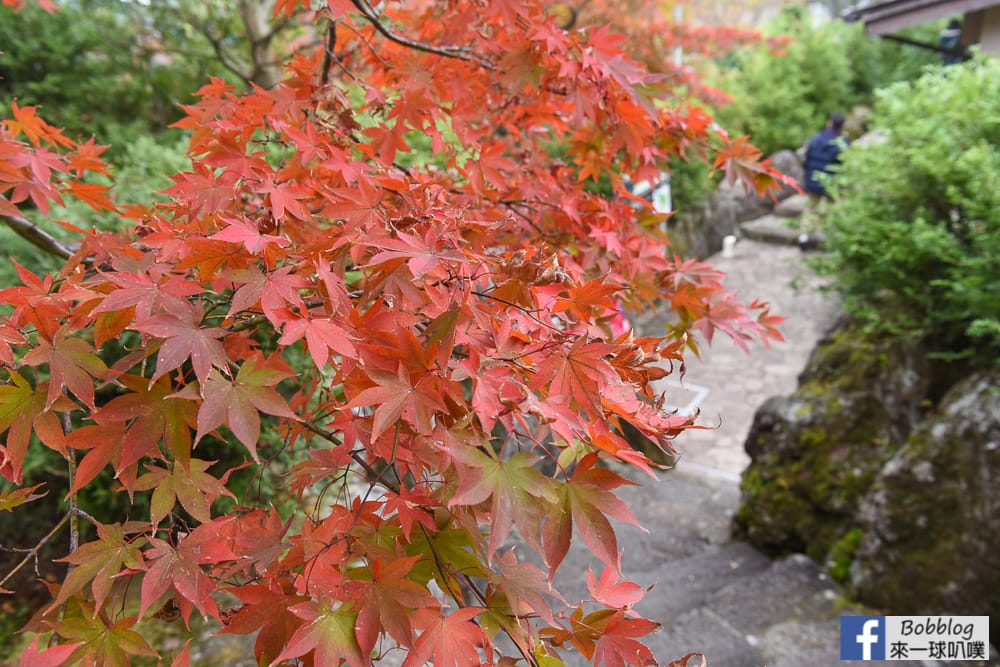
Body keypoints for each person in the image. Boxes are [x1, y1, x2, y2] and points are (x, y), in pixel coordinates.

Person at [803, 112, 846, 202]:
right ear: (842, 125)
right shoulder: (843, 144)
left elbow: (806, 159)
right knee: (832, 210)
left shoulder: (816, 138)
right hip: (831, 185)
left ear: (829, 123)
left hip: (812, 181)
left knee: (813, 210)